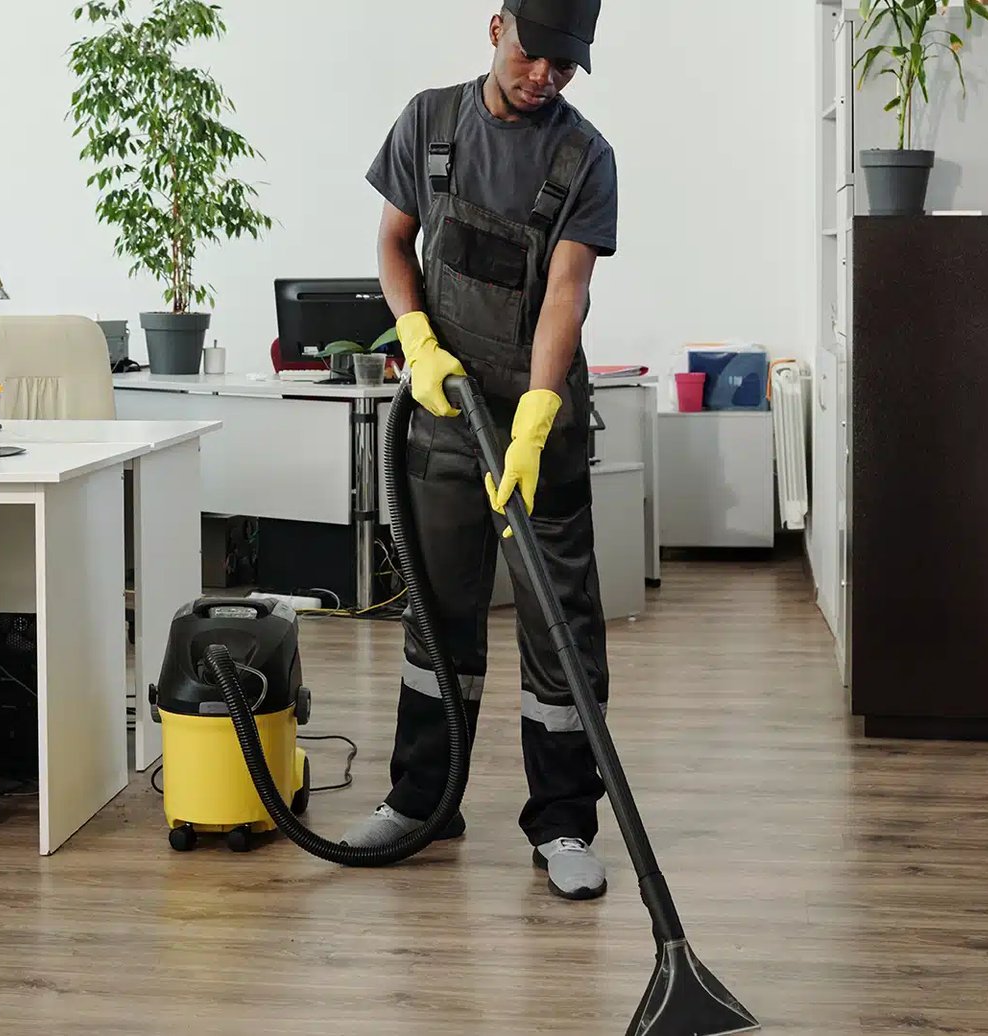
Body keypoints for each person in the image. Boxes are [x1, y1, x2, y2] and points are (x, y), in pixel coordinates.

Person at [339, 0, 618, 902]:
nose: (546, 77)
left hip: (542, 433)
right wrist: (414, 338)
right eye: (536, 54)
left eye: (565, 68)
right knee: (437, 623)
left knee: (559, 633)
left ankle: (566, 822)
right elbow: (392, 242)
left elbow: (565, 294)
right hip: (443, 423)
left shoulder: (585, 157)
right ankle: (422, 805)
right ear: (495, 26)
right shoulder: (428, 121)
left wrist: (536, 411)